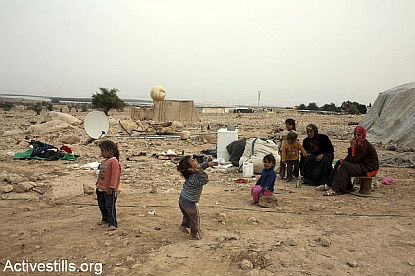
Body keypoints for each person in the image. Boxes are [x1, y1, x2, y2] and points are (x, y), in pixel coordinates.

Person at [321, 126, 379, 196]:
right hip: (361, 164)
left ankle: (336, 189)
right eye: (355, 134)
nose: (356, 137)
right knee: (339, 162)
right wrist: (342, 161)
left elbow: (354, 159)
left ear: (363, 135)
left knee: (345, 166)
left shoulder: (365, 146)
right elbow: (350, 157)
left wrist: (352, 147)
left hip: (368, 168)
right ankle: (328, 185)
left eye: (358, 135)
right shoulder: (358, 143)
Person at [177, 156, 217, 240]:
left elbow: (200, 167)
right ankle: (194, 235)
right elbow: (205, 179)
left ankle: (183, 226)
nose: (195, 160)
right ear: (191, 169)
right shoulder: (195, 179)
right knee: (195, 218)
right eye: (192, 161)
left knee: (187, 216)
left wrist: (208, 164)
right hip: (189, 203)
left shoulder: (193, 174)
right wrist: (200, 170)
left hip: (182, 199)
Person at [96, 140, 121, 231]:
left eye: (103, 151)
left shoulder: (114, 162)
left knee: (109, 206)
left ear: (110, 150)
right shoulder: (104, 162)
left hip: (109, 189)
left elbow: (114, 176)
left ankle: (112, 223)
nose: (101, 153)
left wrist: (112, 187)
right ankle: (105, 218)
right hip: (101, 188)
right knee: (102, 205)